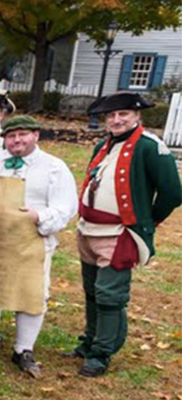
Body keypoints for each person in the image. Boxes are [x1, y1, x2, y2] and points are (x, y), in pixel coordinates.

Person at [71, 92, 181, 377]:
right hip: (89, 229)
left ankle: (102, 352)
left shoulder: (149, 146)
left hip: (118, 232)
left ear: (137, 116)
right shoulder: (103, 144)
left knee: (110, 294)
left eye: (123, 114)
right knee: (92, 291)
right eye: (111, 116)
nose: (117, 120)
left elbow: (172, 192)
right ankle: (90, 341)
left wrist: (146, 222)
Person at [0, 116, 78, 376]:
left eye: (22, 134)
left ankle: (23, 348)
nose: (17, 140)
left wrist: (40, 217)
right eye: (11, 136)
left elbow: (65, 207)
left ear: (36, 135)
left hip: (31, 241)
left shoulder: (54, 168)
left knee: (31, 293)